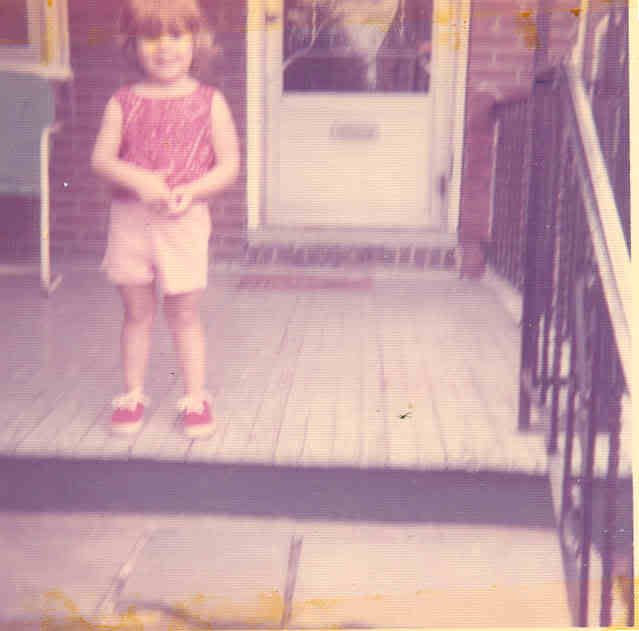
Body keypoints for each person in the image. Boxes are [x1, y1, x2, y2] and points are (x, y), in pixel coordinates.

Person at [91, 0, 240, 438]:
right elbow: (101, 159)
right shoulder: (123, 102)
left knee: (184, 313)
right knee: (136, 312)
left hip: (184, 221)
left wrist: (191, 191)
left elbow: (229, 164)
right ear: (132, 44)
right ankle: (132, 393)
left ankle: (195, 398)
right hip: (130, 222)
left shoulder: (209, 102)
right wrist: (138, 178)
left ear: (197, 41)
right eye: (151, 37)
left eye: (175, 35)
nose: (164, 48)